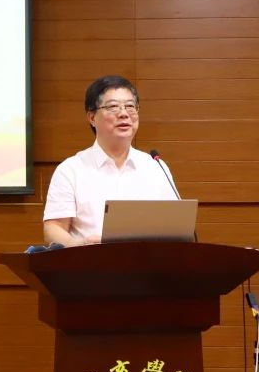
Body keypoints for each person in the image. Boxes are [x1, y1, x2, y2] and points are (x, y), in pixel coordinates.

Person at [42, 75, 179, 246]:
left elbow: (175, 226)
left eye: (130, 106)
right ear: (92, 117)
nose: (124, 114)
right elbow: (54, 227)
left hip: (148, 261)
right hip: (92, 261)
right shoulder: (71, 170)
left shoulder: (155, 167)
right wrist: (79, 245)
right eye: (113, 106)